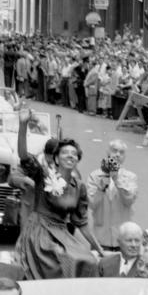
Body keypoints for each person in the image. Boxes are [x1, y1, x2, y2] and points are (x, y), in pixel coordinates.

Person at [15, 109, 103, 279]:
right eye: (65, 153)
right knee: (62, 260)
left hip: (62, 233)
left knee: (89, 261)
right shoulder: (44, 174)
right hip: (40, 231)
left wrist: (98, 250)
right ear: (56, 159)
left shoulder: (79, 186)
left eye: (74, 154)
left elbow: (82, 223)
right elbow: (24, 155)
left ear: (77, 159)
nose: (70, 156)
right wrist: (23, 125)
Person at [86, 139, 138, 250]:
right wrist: (101, 187)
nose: (118, 154)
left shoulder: (131, 177)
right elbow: (91, 204)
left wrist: (117, 180)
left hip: (123, 238)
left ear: (125, 157)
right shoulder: (94, 176)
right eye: (114, 151)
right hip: (100, 237)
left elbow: (128, 201)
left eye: (122, 152)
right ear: (108, 152)